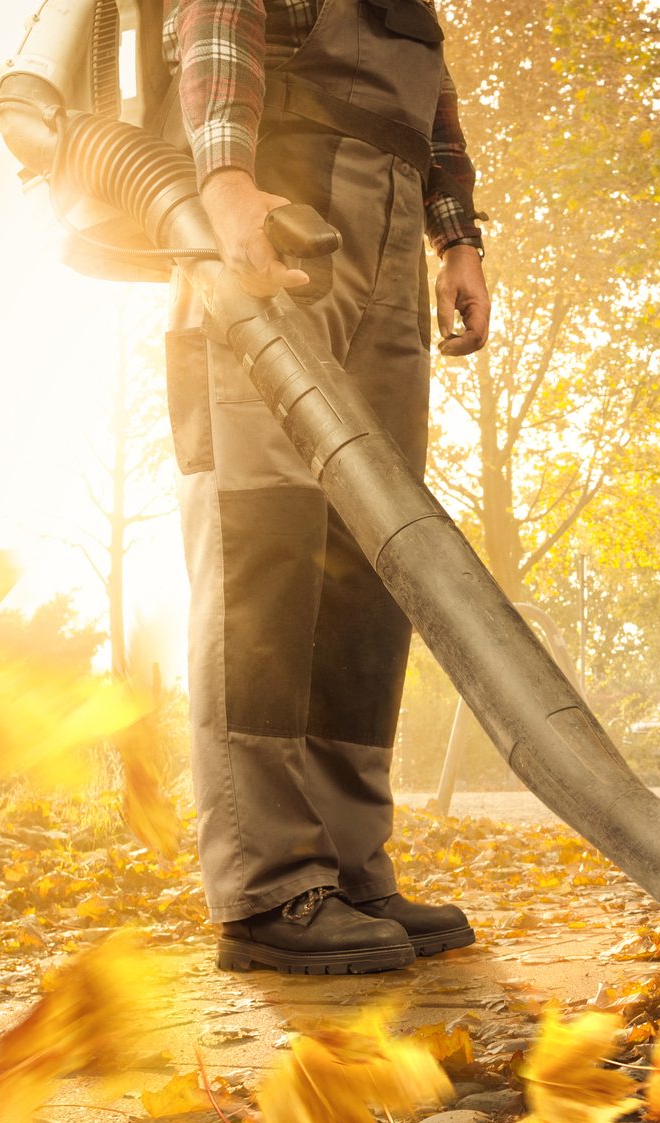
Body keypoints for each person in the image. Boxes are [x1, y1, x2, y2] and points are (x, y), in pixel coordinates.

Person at [160, 0, 488, 975]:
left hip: (386, 226)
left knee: (368, 564)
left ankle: (347, 866)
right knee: (266, 542)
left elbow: (434, 107)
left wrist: (456, 237)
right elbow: (216, 13)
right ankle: (268, 887)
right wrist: (223, 182)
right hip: (276, 211)